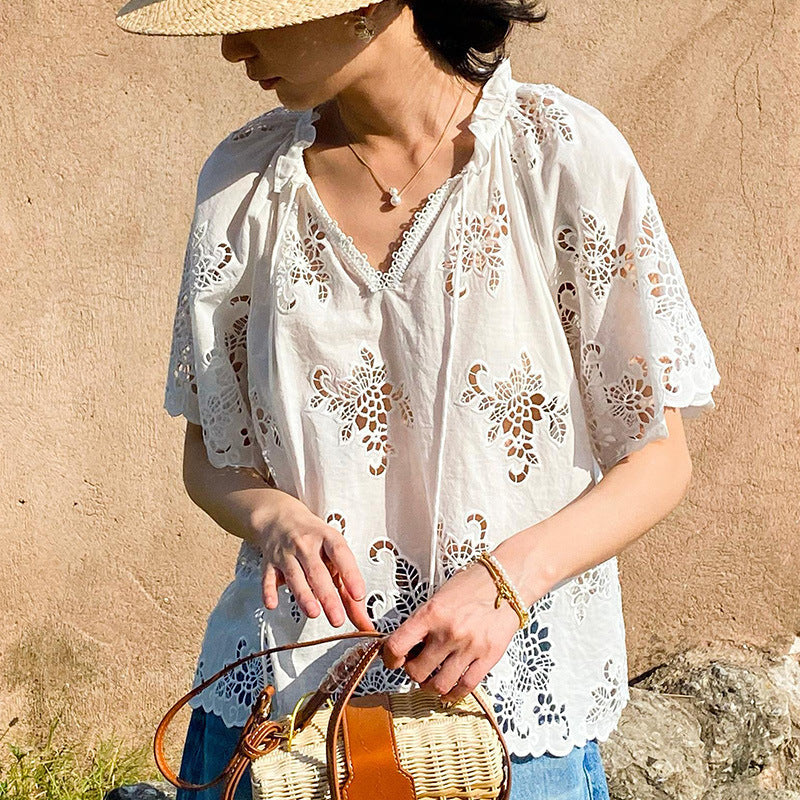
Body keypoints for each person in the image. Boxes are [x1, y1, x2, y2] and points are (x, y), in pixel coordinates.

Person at [115, 1, 721, 798]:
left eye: (254, 12)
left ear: (369, 6)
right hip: (283, 724)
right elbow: (212, 455)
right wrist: (273, 518)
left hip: (507, 732)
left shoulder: (559, 157)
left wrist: (510, 581)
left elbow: (658, 458)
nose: (232, 46)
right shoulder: (245, 183)